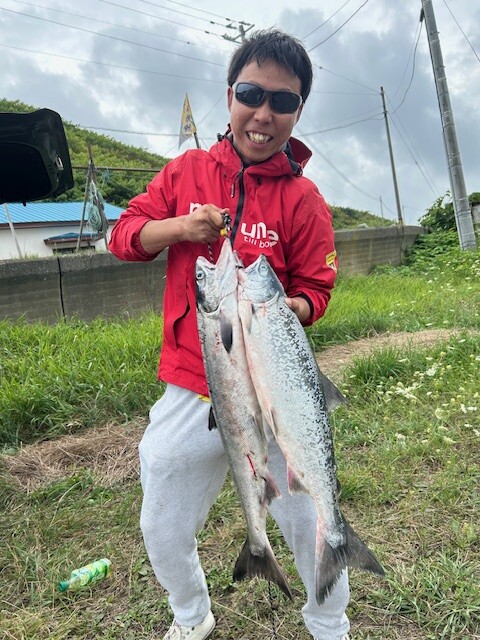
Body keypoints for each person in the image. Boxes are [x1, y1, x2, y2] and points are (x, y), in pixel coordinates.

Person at [109, 28, 350, 640]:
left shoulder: (305, 200)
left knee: (314, 520)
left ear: (298, 111)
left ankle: (330, 624)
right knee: (162, 521)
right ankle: (191, 616)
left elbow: (317, 291)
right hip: (196, 381)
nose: (264, 114)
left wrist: (287, 309)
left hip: (279, 387)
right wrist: (180, 228)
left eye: (283, 101)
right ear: (229, 96)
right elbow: (123, 238)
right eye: (251, 94)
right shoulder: (185, 172)